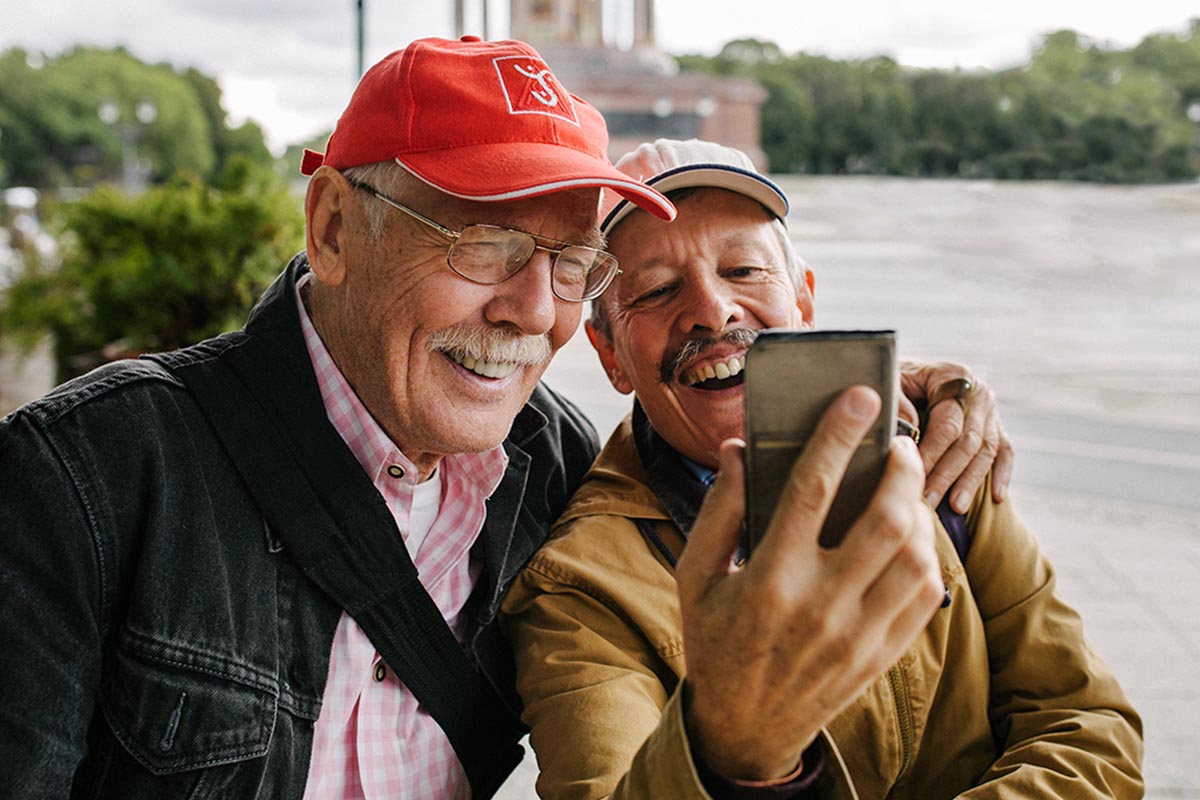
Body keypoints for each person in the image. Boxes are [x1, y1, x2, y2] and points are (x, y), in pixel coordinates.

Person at [0, 37, 1005, 799]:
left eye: (572, 263)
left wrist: (897, 395)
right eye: (484, 240)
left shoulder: (555, 468)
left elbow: (698, 420)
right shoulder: (83, 481)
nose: (534, 310)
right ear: (336, 227)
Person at [499, 139, 1143, 799]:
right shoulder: (581, 588)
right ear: (610, 354)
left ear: (804, 303)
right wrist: (734, 747)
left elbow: (1088, 725)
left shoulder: (934, 455)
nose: (712, 310)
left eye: (745, 271)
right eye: (658, 290)